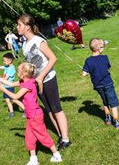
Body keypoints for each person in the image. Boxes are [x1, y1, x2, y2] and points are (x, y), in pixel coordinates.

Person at [16, 14, 71, 149]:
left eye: (19, 25)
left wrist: (41, 76)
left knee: (56, 108)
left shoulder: (38, 41)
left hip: (48, 79)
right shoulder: (25, 45)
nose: (17, 27)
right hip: (37, 83)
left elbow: (53, 58)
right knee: (49, 110)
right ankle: (60, 136)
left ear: (27, 27)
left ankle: (66, 139)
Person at [0, 62, 63, 165]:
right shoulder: (25, 81)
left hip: (35, 116)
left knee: (42, 136)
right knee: (29, 138)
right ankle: (33, 159)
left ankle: (57, 155)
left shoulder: (28, 85)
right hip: (30, 116)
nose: (17, 72)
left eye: (19, 70)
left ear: (24, 73)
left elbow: (16, 97)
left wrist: (3, 89)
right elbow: (11, 84)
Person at [81, 38, 119, 129]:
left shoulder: (88, 61)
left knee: (105, 101)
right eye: (103, 47)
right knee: (113, 102)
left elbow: (84, 74)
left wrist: (88, 70)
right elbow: (108, 67)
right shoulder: (105, 57)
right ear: (99, 49)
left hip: (98, 86)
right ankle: (116, 122)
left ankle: (108, 118)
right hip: (108, 83)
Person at [0, 53, 25, 118]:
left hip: (9, 86)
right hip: (5, 87)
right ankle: (11, 113)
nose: (3, 62)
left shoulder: (11, 68)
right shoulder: (6, 67)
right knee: (7, 100)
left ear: (10, 61)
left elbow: (5, 79)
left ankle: (26, 110)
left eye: (4, 61)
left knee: (14, 100)